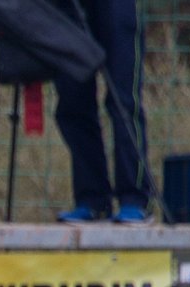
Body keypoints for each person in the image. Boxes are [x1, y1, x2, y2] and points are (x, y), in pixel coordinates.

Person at [53, 0, 153, 224]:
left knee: (123, 102)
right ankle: (92, 200)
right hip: (67, 8)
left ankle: (135, 198)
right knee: (73, 102)